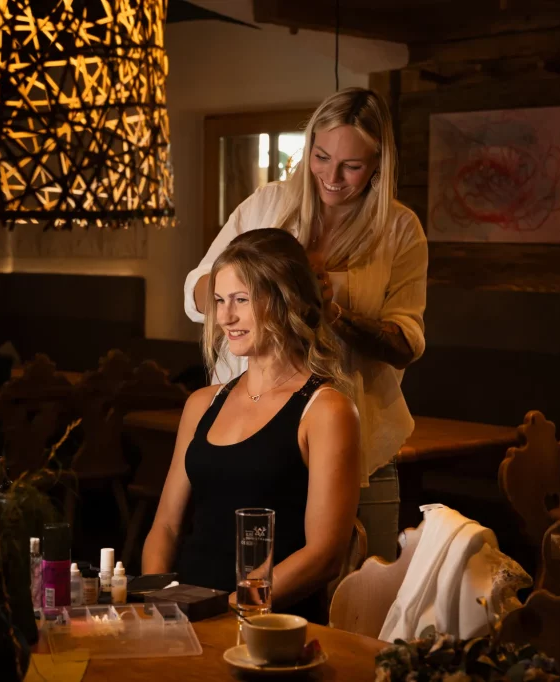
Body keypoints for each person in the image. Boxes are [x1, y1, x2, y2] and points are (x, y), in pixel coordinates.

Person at [182, 87, 427, 561]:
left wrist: (334, 311)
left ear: (379, 164)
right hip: (249, 442)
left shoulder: (399, 230)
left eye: (352, 166)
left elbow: (406, 343)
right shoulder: (267, 204)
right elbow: (196, 292)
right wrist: (255, 284)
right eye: (320, 156)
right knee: (243, 577)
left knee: (363, 602)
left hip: (362, 446)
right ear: (309, 144)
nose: (331, 177)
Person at [142, 229, 360, 623]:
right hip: (186, 615)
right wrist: (159, 601)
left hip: (270, 625)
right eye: (221, 301)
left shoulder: (327, 410)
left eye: (241, 300)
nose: (225, 317)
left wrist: (230, 610)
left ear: (285, 301)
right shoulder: (202, 403)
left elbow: (324, 555)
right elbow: (166, 527)